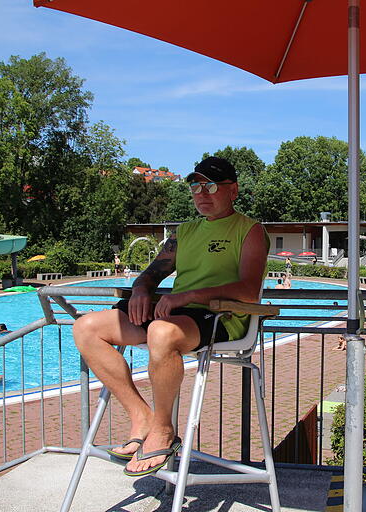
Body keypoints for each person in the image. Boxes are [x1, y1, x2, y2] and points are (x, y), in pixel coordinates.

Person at [72, 156, 268, 477]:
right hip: (175, 313)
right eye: (195, 186)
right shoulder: (184, 232)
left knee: (161, 333)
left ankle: (163, 429)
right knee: (86, 328)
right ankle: (141, 417)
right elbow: (151, 274)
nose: (201, 193)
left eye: (211, 185)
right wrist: (140, 290)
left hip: (220, 317)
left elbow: (248, 290)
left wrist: (188, 295)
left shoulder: (250, 230)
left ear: (232, 190)